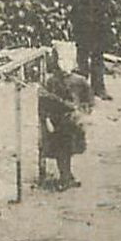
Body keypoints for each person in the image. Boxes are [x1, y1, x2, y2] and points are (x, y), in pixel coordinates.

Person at [37, 57, 92, 188]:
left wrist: (81, 111)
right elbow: (44, 104)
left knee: (71, 146)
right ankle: (65, 177)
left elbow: (88, 101)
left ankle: (66, 174)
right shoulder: (51, 82)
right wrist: (46, 120)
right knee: (62, 147)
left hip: (72, 118)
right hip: (57, 119)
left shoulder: (79, 81)